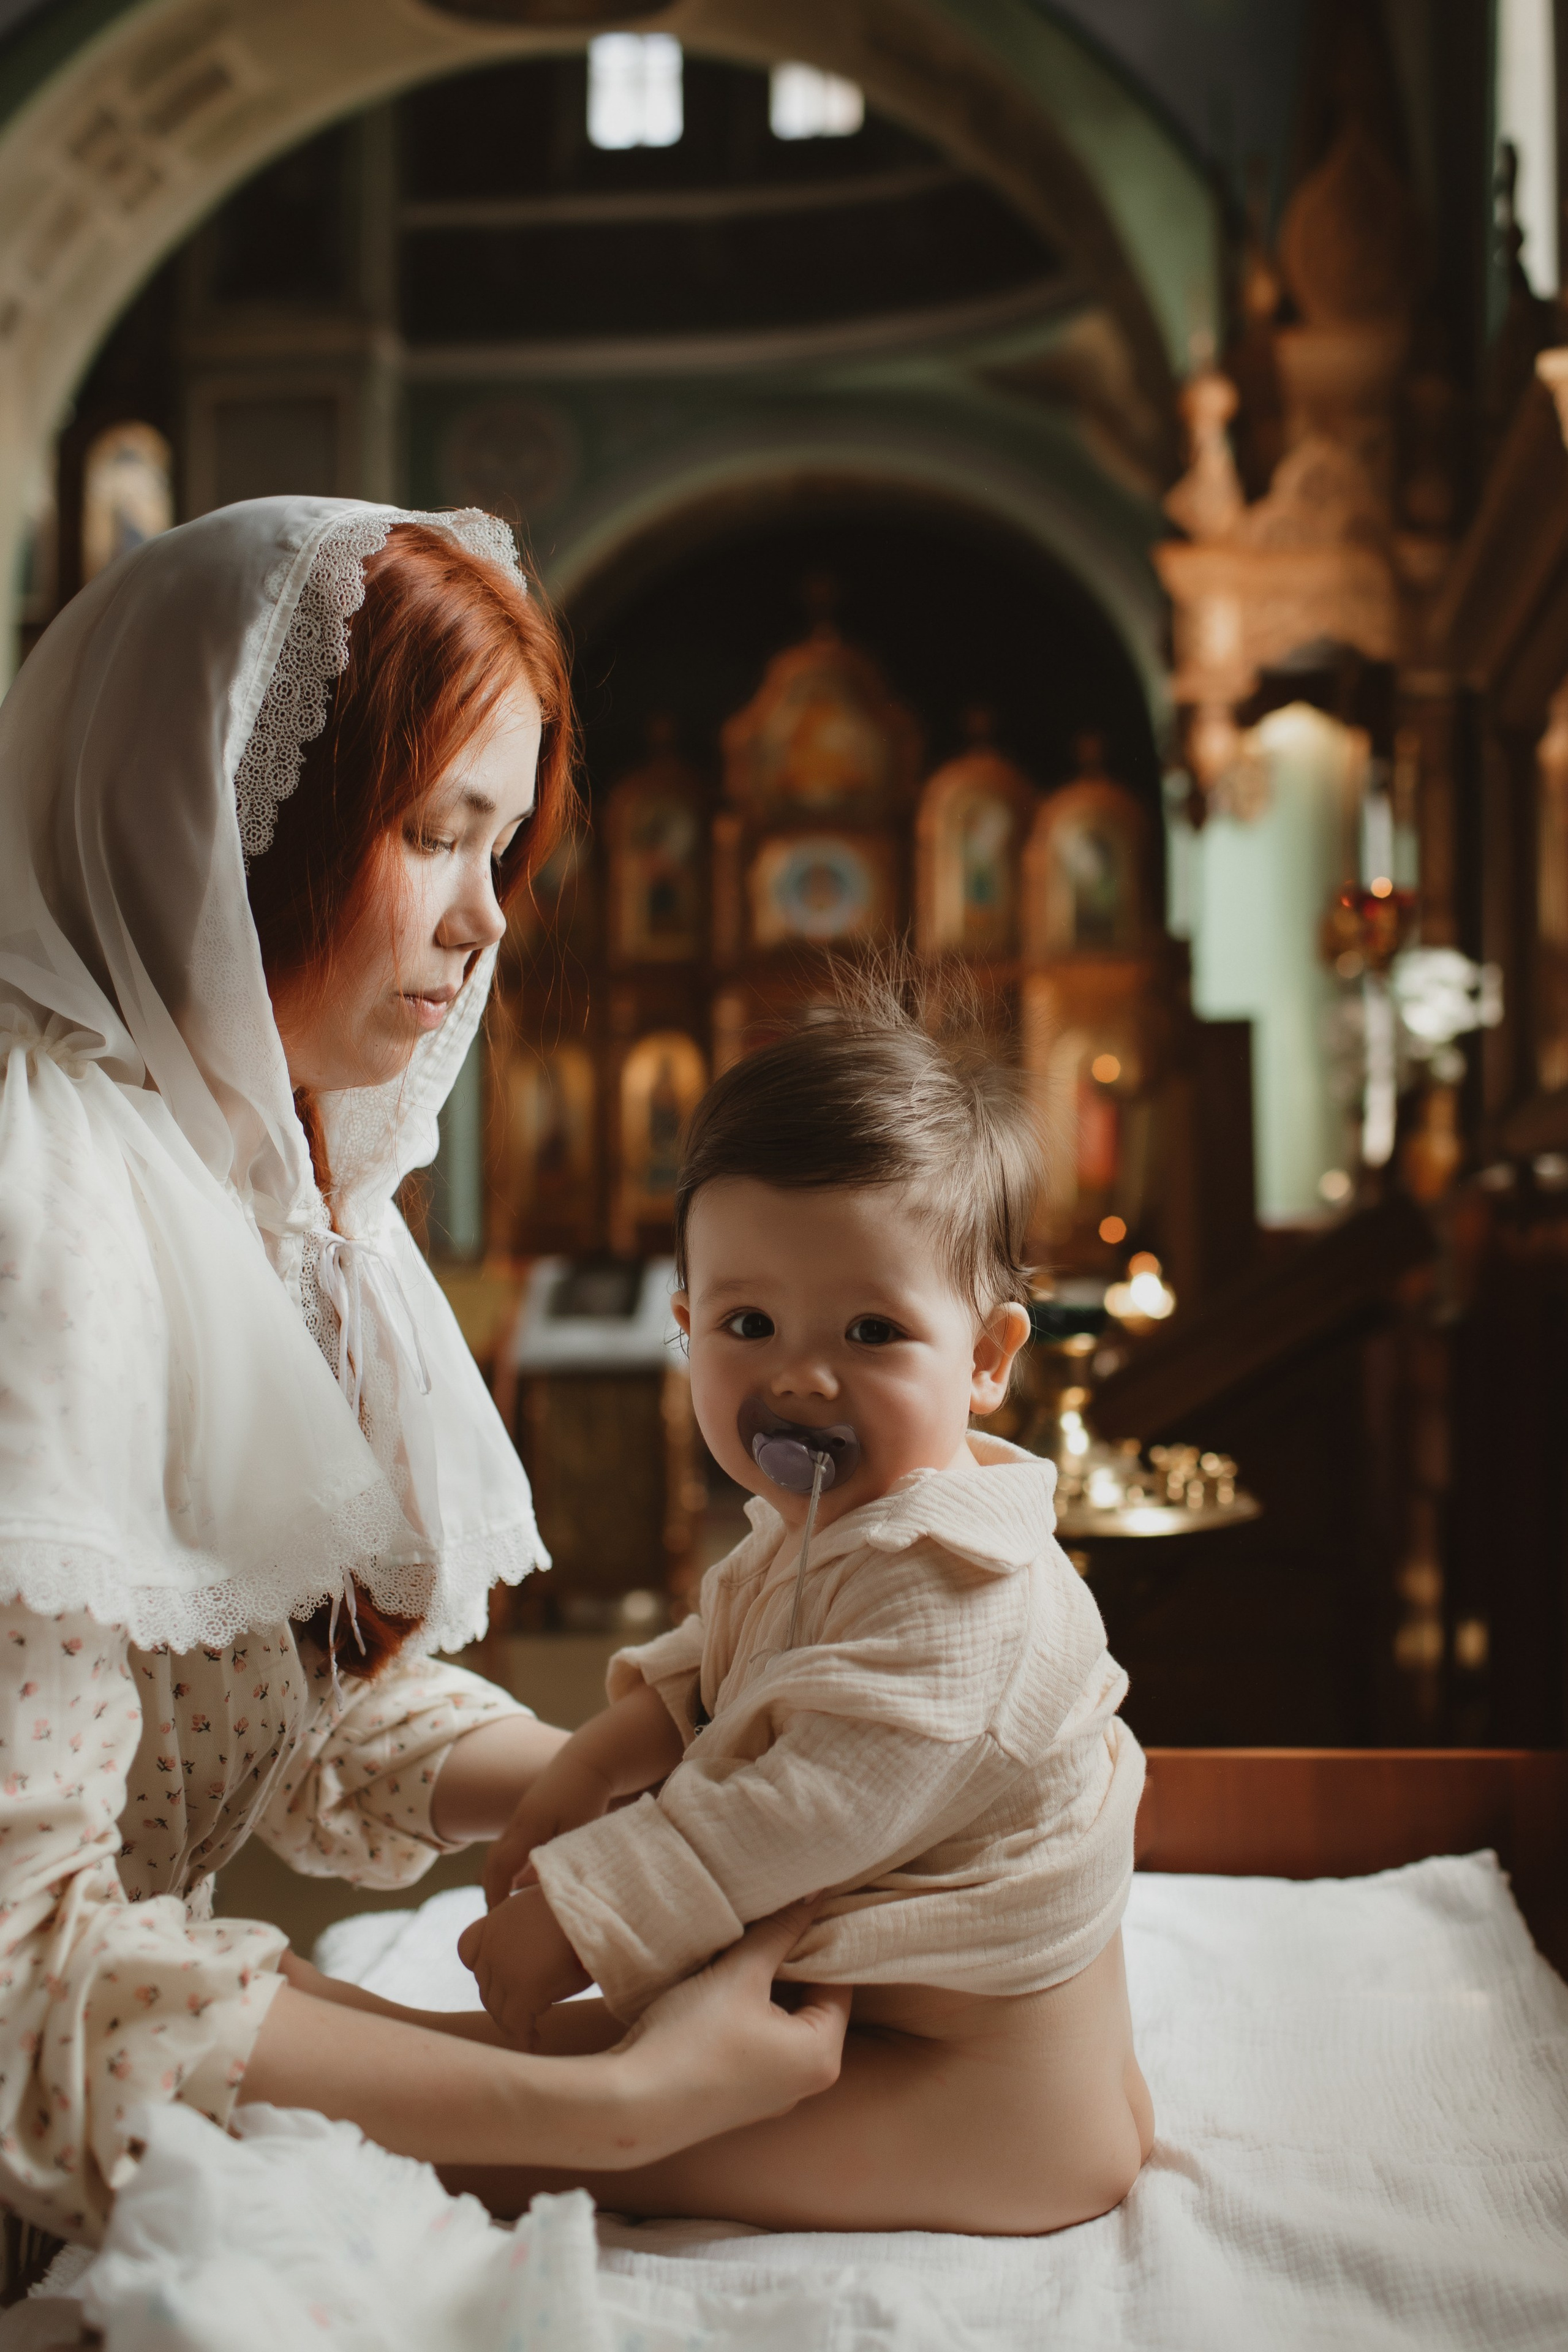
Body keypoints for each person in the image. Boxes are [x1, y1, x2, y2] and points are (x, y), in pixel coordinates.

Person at [0, 497, 847, 2282]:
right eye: (432, 836)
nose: (482, 927)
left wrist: (634, 1786)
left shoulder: (260, 1186)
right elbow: (18, 1974)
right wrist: (591, 2110)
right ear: (227, 829)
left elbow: (279, 1702)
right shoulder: (47, 1199)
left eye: (502, 852)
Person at [457, 978, 1155, 2234]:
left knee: (532, 2144)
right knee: (524, 2072)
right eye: (747, 1321)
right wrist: (604, 1751)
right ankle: (353, 2041)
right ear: (686, 1330)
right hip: (911, 2028)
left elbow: (793, 1807)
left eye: (872, 1327)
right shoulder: (836, 1525)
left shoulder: (961, 1599)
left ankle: (313, 2077)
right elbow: (735, 1656)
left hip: (982, 2098)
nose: (799, 1373)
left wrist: (578, 1914)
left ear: (988, 1357)